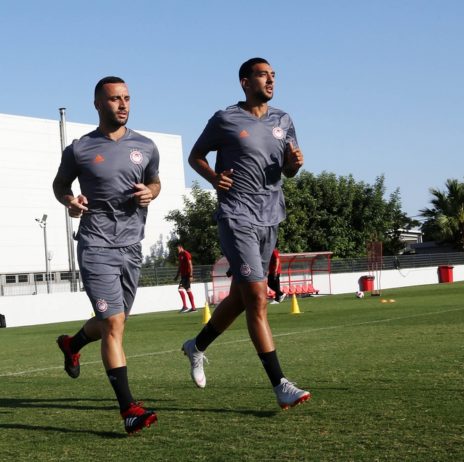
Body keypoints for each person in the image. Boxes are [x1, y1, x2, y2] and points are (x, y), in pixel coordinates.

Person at [182, 57, 311, 409]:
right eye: (262, 75)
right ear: (244, 82)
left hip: (271, 216)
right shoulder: (225, 119)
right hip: (236, 214)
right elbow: (195, 156)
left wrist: (294, 165)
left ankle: (196, 346)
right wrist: (213, 177)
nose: (270, 81)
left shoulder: (284, 120)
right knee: (257, 297)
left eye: (273, 76)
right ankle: (280, 384)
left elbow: (288, 169)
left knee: (241, 297)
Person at [52, 76, 160, 434]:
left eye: (127, 97)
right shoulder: (80, 149)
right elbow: (60, 185)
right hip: (96, 244)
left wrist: (151, 192)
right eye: (115, 99)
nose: (123, 104)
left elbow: (155, 181)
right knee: (113, 324)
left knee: (114, 321)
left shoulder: (146, 146)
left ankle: (72, 343)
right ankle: (129, 409)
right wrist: (71, 201)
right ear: (98, 104)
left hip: (132, 246)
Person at [173, 243, 196, 312]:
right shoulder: (180, 255)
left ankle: (185, 306)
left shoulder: (186, 253)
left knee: (180, 289)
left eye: (177, 249)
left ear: (180, 247)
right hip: (183, 276)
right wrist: (177, 275)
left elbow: (190, 264)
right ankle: (193, 308)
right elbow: (180, 266)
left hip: (187, 275)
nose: (176, 251)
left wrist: (191, 275)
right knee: (188, 290)